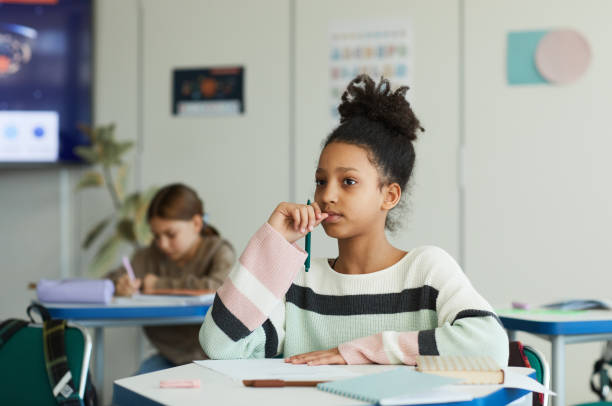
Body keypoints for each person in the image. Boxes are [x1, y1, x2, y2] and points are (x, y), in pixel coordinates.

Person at [198, 75, 508, 367]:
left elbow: (490, 346)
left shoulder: (426, 270)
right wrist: (272, 243)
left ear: (389, 195)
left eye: (348, 181)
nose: (327, 194)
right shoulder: (300, 282)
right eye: (321, 181)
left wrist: (361, 351)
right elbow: (221, 347)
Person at [107, 183, 235, 373]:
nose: (163, 244)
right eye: (156, 236)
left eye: (171, 234)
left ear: (197, 223)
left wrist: (158, 285)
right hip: (169, 357)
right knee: (125, 393)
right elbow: (107, 281)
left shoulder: (219, 251)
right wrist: (118, 286)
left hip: (216, 358)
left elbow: (219, 286)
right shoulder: (147, 256)